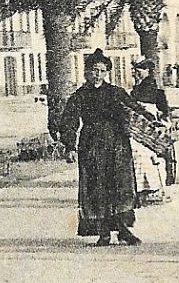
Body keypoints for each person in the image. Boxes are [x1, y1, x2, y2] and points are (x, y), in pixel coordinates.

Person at [58, 51, 149, 245]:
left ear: (107, 72)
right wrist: (70, 146)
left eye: (101, 71)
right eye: (93, 70)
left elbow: (135, 109)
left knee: (121, 186)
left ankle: (124, 230)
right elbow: (69, 121)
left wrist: (154, 121)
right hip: (92, 146)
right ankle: (104, 231)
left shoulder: (116, 92)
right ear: (86, 73)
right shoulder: (80, 96)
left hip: (118, 145)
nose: (97, 75)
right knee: (97, 188)